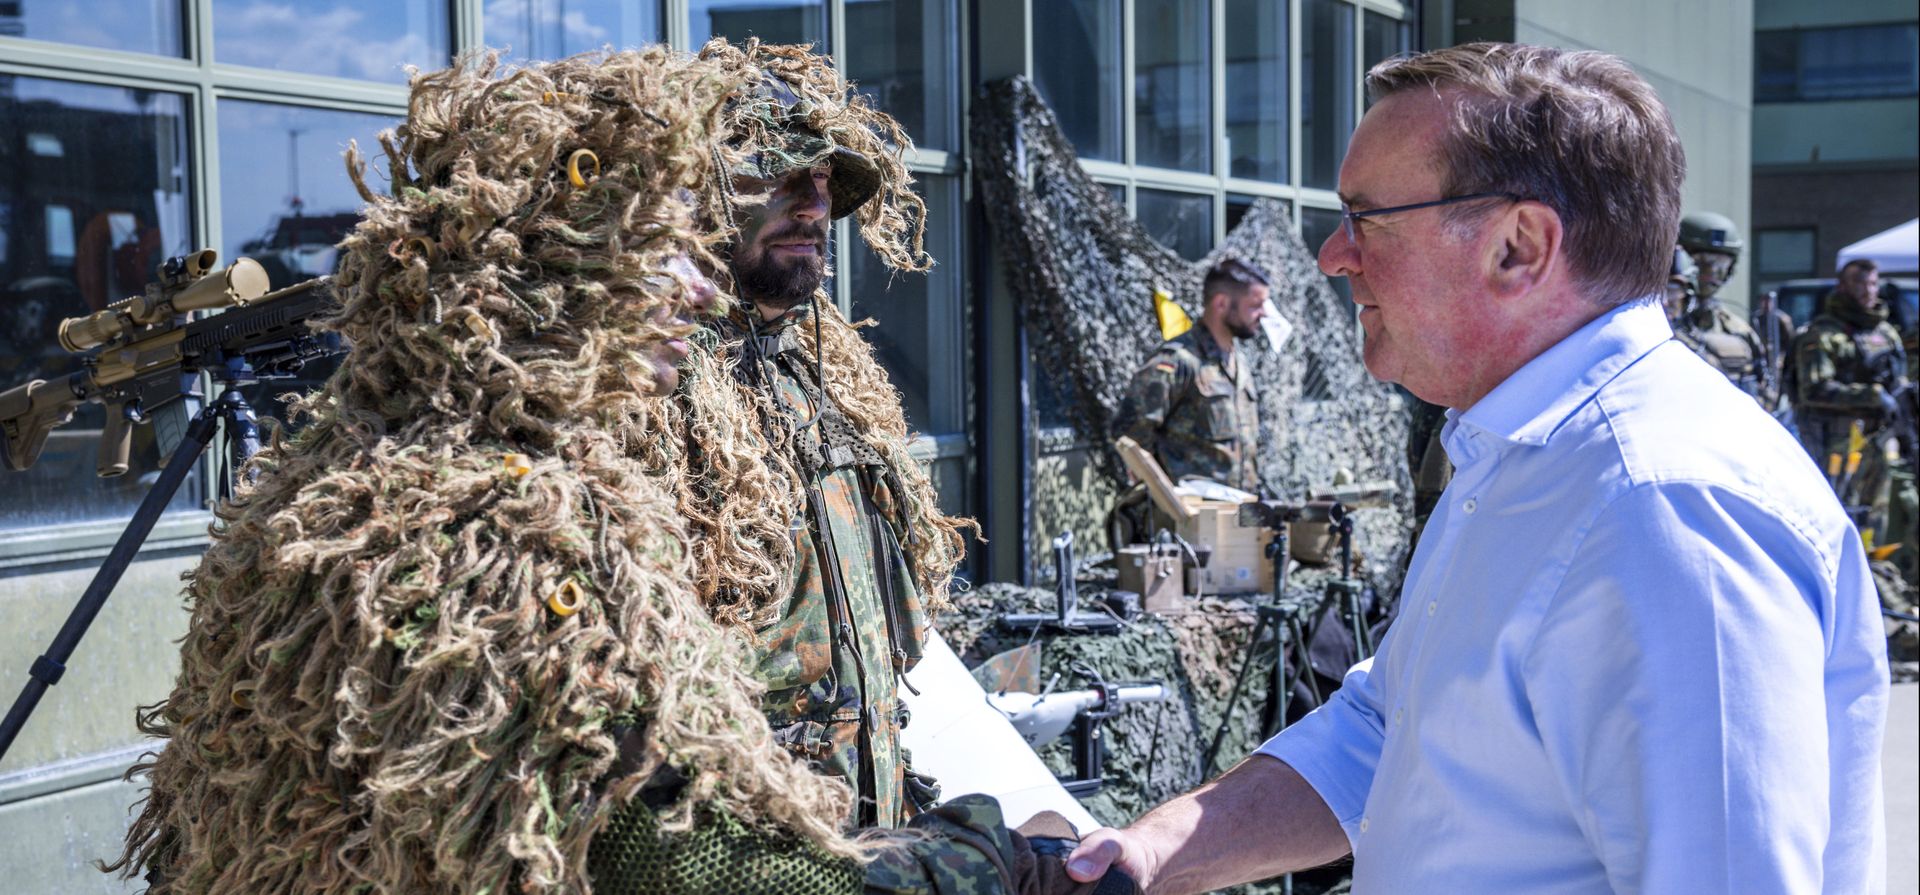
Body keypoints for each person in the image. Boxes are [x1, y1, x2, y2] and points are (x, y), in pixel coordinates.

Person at [113, 47, 1124, 895]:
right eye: (656, 245)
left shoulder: (570, 453)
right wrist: (988, 865)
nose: (694, 284)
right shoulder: (466, 520)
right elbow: (648, 840)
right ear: (543, 262)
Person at [1067, 42, 1887, 894]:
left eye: (1366, 217)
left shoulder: (1664, 510)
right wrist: (1161, 849)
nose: (1333, 256)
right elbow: (1393, 730)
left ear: (1518, 246)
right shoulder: (1526, 455)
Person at [1111, 258, 1271, 492]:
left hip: (1238, 514)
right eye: (1255, 305)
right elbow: (1131, 435)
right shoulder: (1179, 361)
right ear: (1221, 303)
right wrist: (1164, 497)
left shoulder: (1239, 363)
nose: (1264, 314)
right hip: (1191, 519)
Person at [1674, 211, 1776, 407]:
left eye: (1722, 264)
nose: (1711, 272)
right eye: (1702, 261)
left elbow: (1765, 393)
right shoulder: (1655, 321)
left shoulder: (1737, 330)